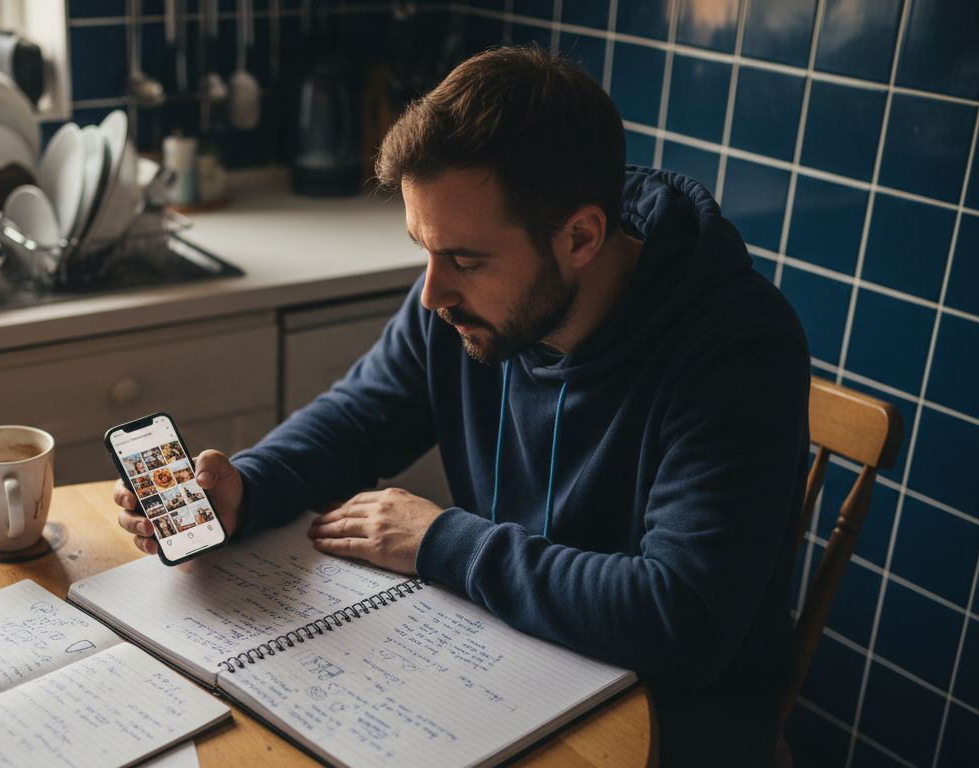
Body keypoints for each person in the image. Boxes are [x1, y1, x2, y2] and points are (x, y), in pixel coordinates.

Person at [114, 46, 809, 765]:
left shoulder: (738, 351)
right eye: (424, 248)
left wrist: (442, 541)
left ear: (581, 238)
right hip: (505, 660)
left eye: (465, 260)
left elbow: (679, 620)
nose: (432, 294)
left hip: (672, 724)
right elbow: (358, 419)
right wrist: (245, 489)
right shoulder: (465, 302)